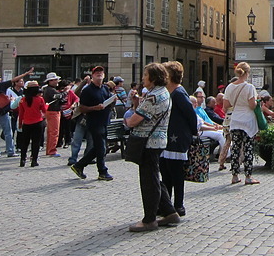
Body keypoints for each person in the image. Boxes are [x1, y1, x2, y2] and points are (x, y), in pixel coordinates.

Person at [125, 63, 180, 232]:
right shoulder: (162, 93)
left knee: (149, 181)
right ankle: (170, 212)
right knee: (154, 176)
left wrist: (126, 121)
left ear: (154, 78)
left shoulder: (154, 96)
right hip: (157, 141)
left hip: (148, 142)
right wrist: (137, 103)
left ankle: (149, 219)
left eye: (145, 75)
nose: (143, 78)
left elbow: (133, 120)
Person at [160, 61, 198, 217]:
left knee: (176, 174)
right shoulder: (169, 92)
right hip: (168, 138)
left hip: (177, 139)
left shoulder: (179, 93)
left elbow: (191, 115)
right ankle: (167, 205)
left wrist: (193, 133)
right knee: (166, 174)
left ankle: (178, 205)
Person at [70, 67, 114, 181]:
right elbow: (82, 108)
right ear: (92, 75)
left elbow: (108, 103)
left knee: (98, 147)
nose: (99, 74)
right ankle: (102, 171)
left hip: (104, 121)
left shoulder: (105, 88)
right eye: (96, 73)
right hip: (94, 122)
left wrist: (112, 101)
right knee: (101, 148)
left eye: (101, 72)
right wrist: (95, 108)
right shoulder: (88, 90)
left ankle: (79, 166)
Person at [223, 62, 260, 185]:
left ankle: (234, 175)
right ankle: (248, 176)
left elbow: (226, 106)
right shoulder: (249, 87)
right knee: (248, 148)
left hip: (235, 120)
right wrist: (256, 101)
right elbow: (251, 105)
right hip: (247, 120)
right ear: (247, 73)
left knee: (235, 148)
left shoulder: (229, 87)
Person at [16, 81, 46, 167]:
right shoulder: (40, 99)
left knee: (25, 142)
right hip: (38, 122)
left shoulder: (23, 100)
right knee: (36, 142)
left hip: (26, 123)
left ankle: (22, 159)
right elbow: (44, 110)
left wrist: (20, 123)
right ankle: (34, 160)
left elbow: (21, 113)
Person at [42, 72, 64, 158]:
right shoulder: (51, 90)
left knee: (51, 131)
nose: (57, 81)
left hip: (51, 111)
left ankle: (49, 149)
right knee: (54, 132)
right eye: (55, 80)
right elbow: (59, 97)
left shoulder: (48, 89)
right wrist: (65, 92)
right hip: (53, 112)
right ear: (50, 81)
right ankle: (52, 150)